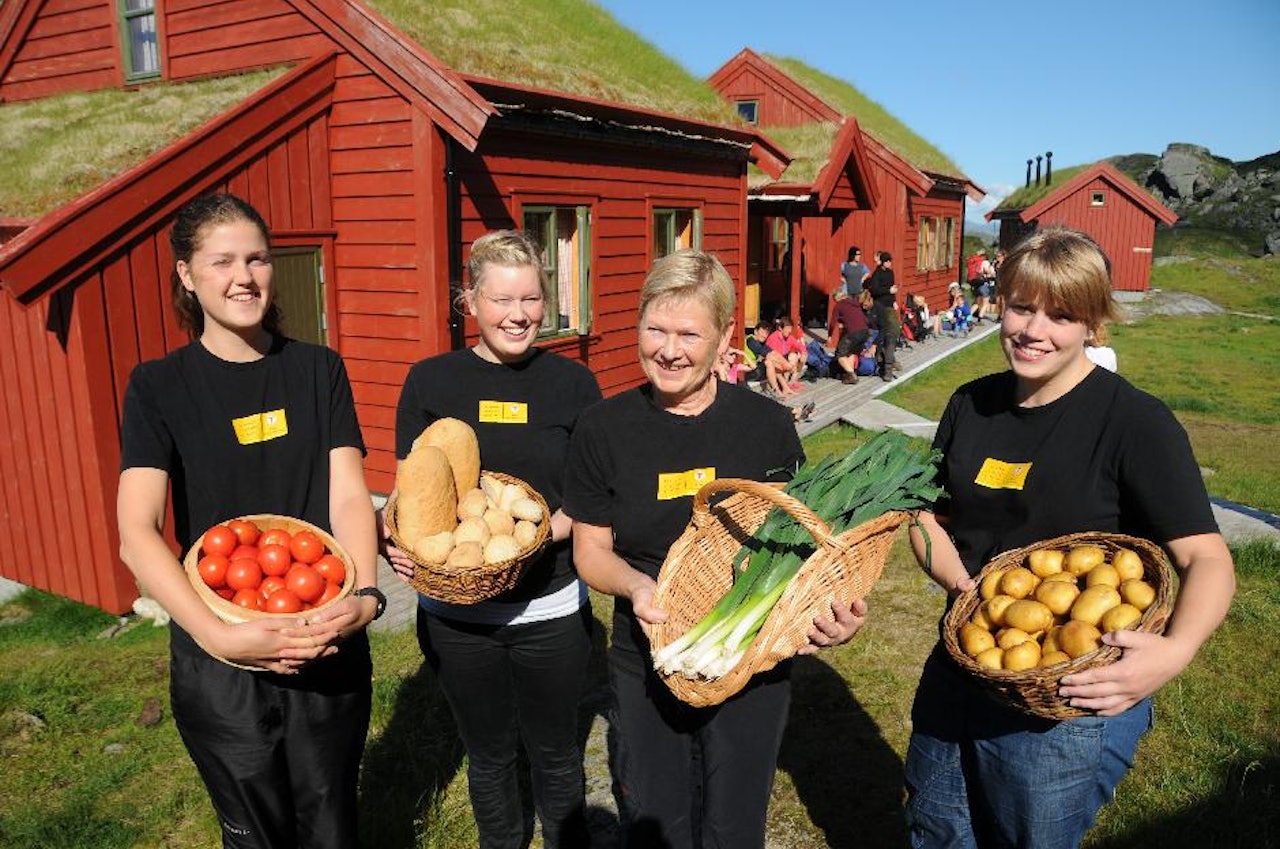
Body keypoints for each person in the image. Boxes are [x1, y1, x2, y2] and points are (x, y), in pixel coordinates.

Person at [904, 226, 1236, 849]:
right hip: (964, 665)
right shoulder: (969, 404)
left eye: (1061, 315)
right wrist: (960, 584)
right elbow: (926, 517)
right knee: (938, 831)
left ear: (1093, 325)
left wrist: (1176, 650)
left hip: (1069, 693)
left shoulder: (1135, 422)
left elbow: (1207, 558)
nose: (1034, 330)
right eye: (1021, 307)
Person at [563, 249, 866, 848]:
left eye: (689, 334)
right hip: (646, 647)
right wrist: (636, 587)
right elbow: (591, 551)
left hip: (750, 653)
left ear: (726, 336)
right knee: (657, 824)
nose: (668, 350)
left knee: (734, 826)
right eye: (655, 329)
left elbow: (800, 545)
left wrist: (834, 610)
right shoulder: (603, 428)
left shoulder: (765, 427)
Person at [116, 194, 382, 848]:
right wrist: (216, 635)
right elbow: (137, 532)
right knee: (254, 834)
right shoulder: (158, 386)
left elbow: (349, 496)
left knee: (332, 825)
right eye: (222, 261)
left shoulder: (319, 370)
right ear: (186, 274)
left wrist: (367, 597)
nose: (245, 276)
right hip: (220, 661)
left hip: (324, 633)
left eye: (258, 258)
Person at [383, 230, 602, 849]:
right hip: (458, 615)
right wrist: (391, 540)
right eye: (502, 299)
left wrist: (544, 535)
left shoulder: (574, 385)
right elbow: (410, 493)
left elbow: (590, 494)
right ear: (470, 302)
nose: (518, 314)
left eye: (530, 298)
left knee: (557, 756)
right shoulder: (430, 382)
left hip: (552, 604)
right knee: (489, 756)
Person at [865, 251, 900, 381]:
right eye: (888, 261)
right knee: (888, 332)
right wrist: (888, 291)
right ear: (884, 262)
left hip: (889, 305)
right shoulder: (876, 274)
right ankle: (888, 364)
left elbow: (892, 288)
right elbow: (874, 291)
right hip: (880, 306)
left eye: (891, 261)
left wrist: (894, 299)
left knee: (895, 331)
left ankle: (890, 358)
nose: (890, 263)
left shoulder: (891, 273)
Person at [745, 322, 799, 399]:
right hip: (748, 372)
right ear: (755, 331)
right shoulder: (751, 341)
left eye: (766, 333)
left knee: (772, 361)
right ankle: (776, 391)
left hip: (755, 369)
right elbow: (768, 354)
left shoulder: (761, 343)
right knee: (769, 361)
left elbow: (774, 352)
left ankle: (785, 387)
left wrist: (784, 364)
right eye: (763, 332)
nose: (764, 335)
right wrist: (786, 365)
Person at [829, 288, 870, 384]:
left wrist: (830, 335)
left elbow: (832, 323)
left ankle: (852, 374)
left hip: (854, 332)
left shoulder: (839, 305)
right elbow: (866, 320)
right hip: (865, 332)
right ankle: (850, 375)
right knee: (851, 352)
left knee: (840, 354)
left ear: (836, 298)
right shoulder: (854, 304)